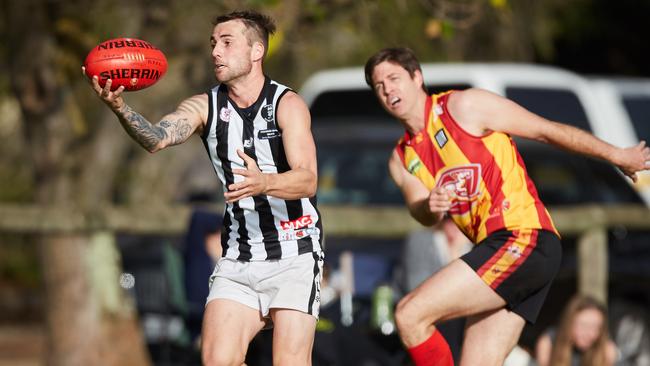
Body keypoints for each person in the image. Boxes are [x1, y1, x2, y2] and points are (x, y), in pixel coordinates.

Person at [363, 47, 650, 366]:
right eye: (379, 85)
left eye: (394, 78)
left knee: (409, 314)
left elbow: (546, 130)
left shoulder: (465, 106)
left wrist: (616, 155)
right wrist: (432, 205)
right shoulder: (402, 158)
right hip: (499, 251)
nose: (388, 89)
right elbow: (421, 212)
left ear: (417, 77)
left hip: (524, 239)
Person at [85, 10, 324, 366]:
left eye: (227, 43)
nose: (215, 51)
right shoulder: (205, 106)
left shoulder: (287, 105)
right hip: (239, 256)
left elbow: (308, 178)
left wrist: (265, 182)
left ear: (256, 51)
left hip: (295, 253)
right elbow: (157, 138)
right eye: (213, 43)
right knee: (216, 360)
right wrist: (121, 109)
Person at [535, 295, 618, 366]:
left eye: (597, 328)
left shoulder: (606, 350)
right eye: (584, 325)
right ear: (569, 322)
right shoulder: (549, 342)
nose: (590, 334)